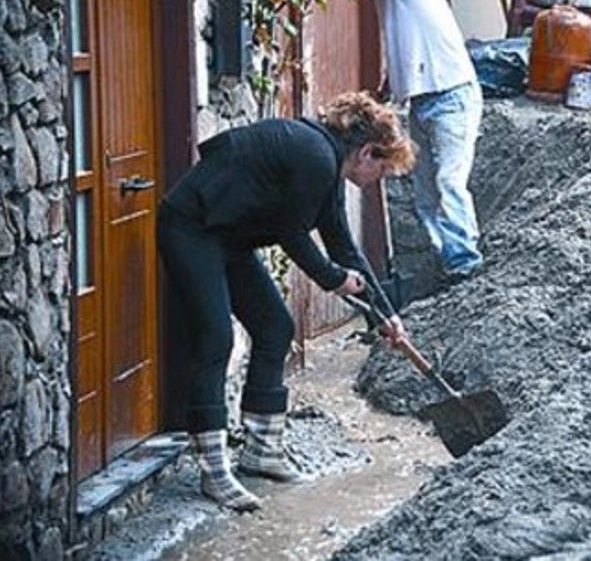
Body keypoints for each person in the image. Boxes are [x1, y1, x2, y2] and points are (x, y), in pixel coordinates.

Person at [158, 92, 414, 510]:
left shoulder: (326, 163)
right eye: (382, 170)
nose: (376, 181)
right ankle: (214, 471)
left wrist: (387, 316)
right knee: (215, 339)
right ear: (367, 152)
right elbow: (292, 234)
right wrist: (333, 281)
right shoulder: (315, 156)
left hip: (228, 237)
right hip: (192, 228)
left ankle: (262, 451)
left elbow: (343, 246)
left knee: (276, 327)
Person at [327, 0, 485, 281]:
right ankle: (444, 263)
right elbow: (405, 36)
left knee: (449, 180)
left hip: (453, 94)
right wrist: (389, 85)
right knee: (426, 193)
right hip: (423, 100)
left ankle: (466, 261)